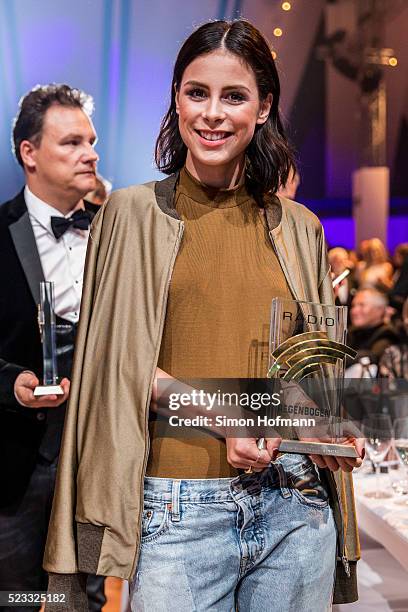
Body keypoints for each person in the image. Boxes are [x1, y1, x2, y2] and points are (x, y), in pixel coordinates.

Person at [44, 21, 363, 612]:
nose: (213, 114)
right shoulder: (131, 214)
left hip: (295, 505)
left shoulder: (299, 227)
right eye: (197, 93)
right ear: (177, 99)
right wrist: (224, 420)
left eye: (234, 96)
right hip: (179, 511)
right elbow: (117, 367)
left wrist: (321, 423)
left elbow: (309, 370)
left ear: (264, 107)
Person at [0, 84, 105, 611]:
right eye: (71, 143)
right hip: (16, 462)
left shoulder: (114, 235)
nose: (90, 153)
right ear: (29, 152)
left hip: (94, 458)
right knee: (14, 596)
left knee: (82, 599)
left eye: (90, 141)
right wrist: (11, 385)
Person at [348, 288, 399, 363]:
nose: (354, 311)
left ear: (379, 310)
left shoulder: (387, 334)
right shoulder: (352, 331)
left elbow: (374, 356)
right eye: (353, 306)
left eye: (362, 305)